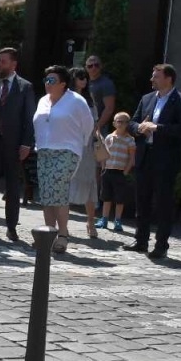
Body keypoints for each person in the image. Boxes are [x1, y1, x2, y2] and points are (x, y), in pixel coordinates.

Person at [125, 63, 181, 260]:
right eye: (152, 75)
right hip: (145, 156)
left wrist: (157, 128)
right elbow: (132, 123)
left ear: (168, 79)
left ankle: (161, 244)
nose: (152, 79)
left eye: (156, 76)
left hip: (165, 159)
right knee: (142, 200)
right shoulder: (147, 98)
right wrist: (139, 128)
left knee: (163, 202)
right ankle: (140, 240)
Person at [31, 66, 95, 255]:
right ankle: (48, 234)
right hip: (44, 150)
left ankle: (63, 234)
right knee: (46, 193)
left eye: (52, 80)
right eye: (46, 80)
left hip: (67, 150)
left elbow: (88, 124)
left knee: (58, 190)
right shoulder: (43, 100)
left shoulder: (76, 101)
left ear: (63, 84)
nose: (47, 83)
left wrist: (80, 144)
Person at [0, 47, 33, 242]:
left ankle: (11, 228)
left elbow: (29, 118)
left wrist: (26, 144)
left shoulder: (25, 87)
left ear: (13, 64)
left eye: (3, 61)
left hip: (14, 145)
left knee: (12, 187)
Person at [67, 68, 101, 240]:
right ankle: (62, 224)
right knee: (66, 184)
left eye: (86, 77)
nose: (84, 80)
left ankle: (91, 222)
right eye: (80, 77)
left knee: (89, 183)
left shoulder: (89, 100)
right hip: (69, 144)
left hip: (86, 146)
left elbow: (95, 124)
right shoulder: (65, 98)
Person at [98, 112, 137, 233]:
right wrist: (103, 167)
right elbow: (104, 153)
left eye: (124, 122)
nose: (121, 124)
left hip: (120, 172)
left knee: (120, 198)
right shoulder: (109, 137)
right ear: (114, 123)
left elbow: (132, 158)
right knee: (106, 196)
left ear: (127, 124)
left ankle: (118, 220)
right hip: (108, 170)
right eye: (118, 121)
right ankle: (104, 219)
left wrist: (126, 172)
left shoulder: (130, 140)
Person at [86, 55, 117, 134]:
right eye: (90, 66)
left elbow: (109, 108)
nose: (93, 68)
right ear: (86, 68)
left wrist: (97, 127)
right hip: (84, 125)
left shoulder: (106, 84)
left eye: (96, 65)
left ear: (101, 66)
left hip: (100, 127)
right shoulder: (84, 82)